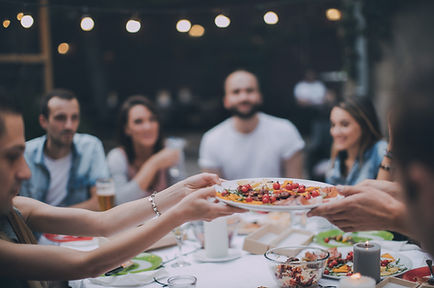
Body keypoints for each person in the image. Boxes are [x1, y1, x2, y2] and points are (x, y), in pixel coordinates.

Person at [0, 92, 243, 287]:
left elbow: (104, 222)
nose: (25, 171)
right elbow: (87, 264)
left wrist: (182, 189)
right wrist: (180, 214)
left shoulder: (18, 208)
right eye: (12, 157)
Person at [199, 69, 305, 179]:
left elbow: (296, 184)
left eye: (249, 91)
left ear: (260, 96)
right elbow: (213, 191)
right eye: (236, 92)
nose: (244, 97)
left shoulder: (286, 130)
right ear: (226, 101)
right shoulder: (211, 139)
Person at [19, 89, 109, 211]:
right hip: (33, 230)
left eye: (74, 118)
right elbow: (17, 208)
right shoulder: (25, 154)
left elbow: (99, 203)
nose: (69, 125)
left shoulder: (91, 147)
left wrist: (54, 223)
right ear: (43, 121)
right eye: (60, 118)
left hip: (78, 229)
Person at [107, 95, 182, 204]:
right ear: (127, 129)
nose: (147, 127)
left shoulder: (170, 149)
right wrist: (153, 164)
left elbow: (182, 194)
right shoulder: (117, 157)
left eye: (152, 119)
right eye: (138, 121)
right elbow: (120, 201)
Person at [325, 96, 387, 185]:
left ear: (364, 125)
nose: (335, 132)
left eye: (344, 124)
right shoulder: (338, 153)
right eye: (333, 125)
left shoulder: (380, 150)